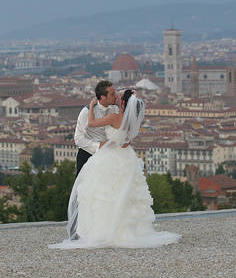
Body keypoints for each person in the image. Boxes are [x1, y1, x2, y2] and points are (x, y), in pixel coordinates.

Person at [49, 90, 181, 249]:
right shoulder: (131, 121)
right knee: (126, 194)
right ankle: (128, 230)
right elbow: (127, 142)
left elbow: (91, 123)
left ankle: (102, 231)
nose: (117, 98)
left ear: (124, 104)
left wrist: (91, 106)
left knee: (103, 192)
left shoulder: (114, 117)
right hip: (127, 157)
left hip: (110, 156)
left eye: (120, 97)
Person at [74, 80, 118, 176]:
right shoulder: (86, 112)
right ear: (103, 97)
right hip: (87, 156)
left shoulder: (115, 110)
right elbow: (78, 139)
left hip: (108, 156)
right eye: (112, 94)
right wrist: (99, 146)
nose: (116, 96)